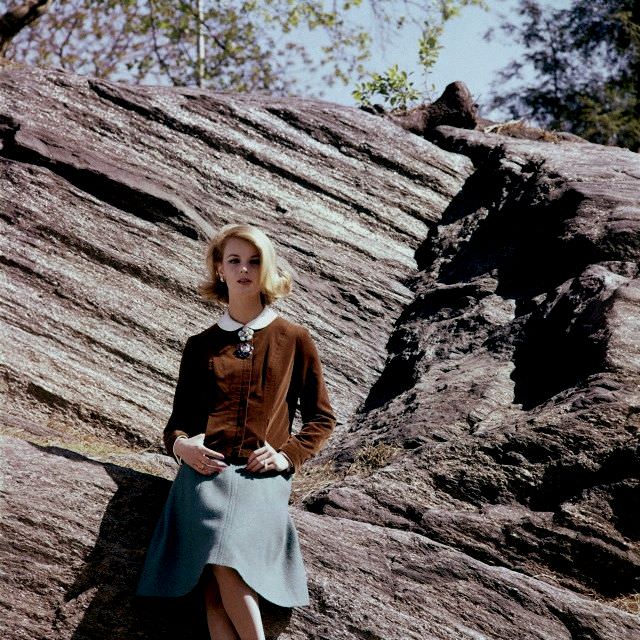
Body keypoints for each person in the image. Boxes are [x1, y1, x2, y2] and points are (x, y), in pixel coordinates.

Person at [136, 223, 336, 640]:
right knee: (212, 589)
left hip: (259, 478)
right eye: (234, 260)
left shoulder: (294, 338)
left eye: (254, 260)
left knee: (226, 562)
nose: (244, 269)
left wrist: (286, 456)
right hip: (204, 475)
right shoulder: (200, 345)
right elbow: (179, 423)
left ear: (267, 269)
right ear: (219, 269)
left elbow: (321, 419)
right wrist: (181, 448)